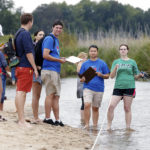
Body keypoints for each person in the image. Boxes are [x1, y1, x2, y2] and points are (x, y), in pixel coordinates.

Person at [107, 44, 143, 131]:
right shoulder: (116, 62)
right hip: (118, 87)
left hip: (130, 86)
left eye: (124, 49)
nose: (123, 50)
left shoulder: (132, 62)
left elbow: (135, 76)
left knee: (127, 108)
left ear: (127, 50)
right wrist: (115, 68)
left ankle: (128, 128)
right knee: (111, 106)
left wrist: (140, 75)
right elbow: (111, 76)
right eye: (121, 49)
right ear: (119, 51)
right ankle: (108, 127)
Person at [15, 13, 38, 127]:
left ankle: (21, 117)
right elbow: (29, 53)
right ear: (30, 21)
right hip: (25, 67)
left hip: (19, 66)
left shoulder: (18, 33)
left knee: (19, 91)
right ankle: (21, 120)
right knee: (21, 92)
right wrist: (35, 68)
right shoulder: (26, 34)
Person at [41, 20, 66, 126]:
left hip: (55, 70)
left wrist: (60, 58)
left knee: (56, 95)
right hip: (49, 70)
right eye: (57, 27)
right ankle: (47, 118)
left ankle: (57, 119)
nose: (58, 29)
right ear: (52, 27)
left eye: (60, 28)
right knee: (50, 94)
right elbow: (45, 55)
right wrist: (59, 60)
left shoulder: (56, 40)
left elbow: (53, 55)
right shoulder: (49, 38)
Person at [80, 45, 110, 129]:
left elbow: (108, 76)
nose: (93, 52)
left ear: (97, 52)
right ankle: (86, 125)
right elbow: (81, 77)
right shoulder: (85, 63)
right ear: (89, 52)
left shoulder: (102, 63)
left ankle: (95, 125)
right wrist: (82, 79)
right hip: (87, 87)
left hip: (99, 88)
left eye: (94, 51)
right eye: (91, 51)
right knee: (86, 105)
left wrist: (101, 75)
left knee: (95, 108)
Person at [32, 30, 45, 123]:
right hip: (35, 72)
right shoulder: (33, 46)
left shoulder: (43, 46)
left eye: (43, 35)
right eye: (40, 34)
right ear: (35, 36)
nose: (42, 36)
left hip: (42, 72)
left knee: (38, 95)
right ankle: (35, 117)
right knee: (35, 95)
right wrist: (36, 66)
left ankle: (36, 116)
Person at [76, 52, 88, 123]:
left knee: (84, 102)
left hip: (82, 84)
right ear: (82, 58)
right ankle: (83, 119)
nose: (86, 59)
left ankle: (83, 119)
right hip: (82, 84)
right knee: (84, 102)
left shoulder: (81, 64)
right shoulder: (80, 64)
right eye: (85, 58)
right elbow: (81, 74)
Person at [0, 45, 9, 111]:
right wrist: (8, 72)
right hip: (1, 73)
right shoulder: (0, 53)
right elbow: (4, 64)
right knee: (1, 92)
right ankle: (1, 110)